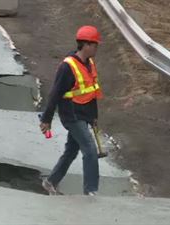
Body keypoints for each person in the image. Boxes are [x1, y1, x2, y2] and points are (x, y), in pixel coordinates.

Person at [39, 25, 103, 196]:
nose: (97, 48)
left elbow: (92, 91)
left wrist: (94, 117)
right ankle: (91, 192)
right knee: (89, 149)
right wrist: (46, 119)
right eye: (95, 44)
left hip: (84, 113)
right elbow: (55, 94)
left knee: (71, 151)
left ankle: (50, 182)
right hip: (72, 115)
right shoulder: (67, 67)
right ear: (86, 45)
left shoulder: (89, 64)